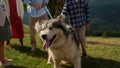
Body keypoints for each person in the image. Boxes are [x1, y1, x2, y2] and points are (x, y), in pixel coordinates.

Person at [0, 2, 12, 67]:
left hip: (3, 24)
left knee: (2, 44)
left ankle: (3, 58)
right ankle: (2, 62)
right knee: (0, 44)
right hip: (0, 25)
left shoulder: (1, 2)